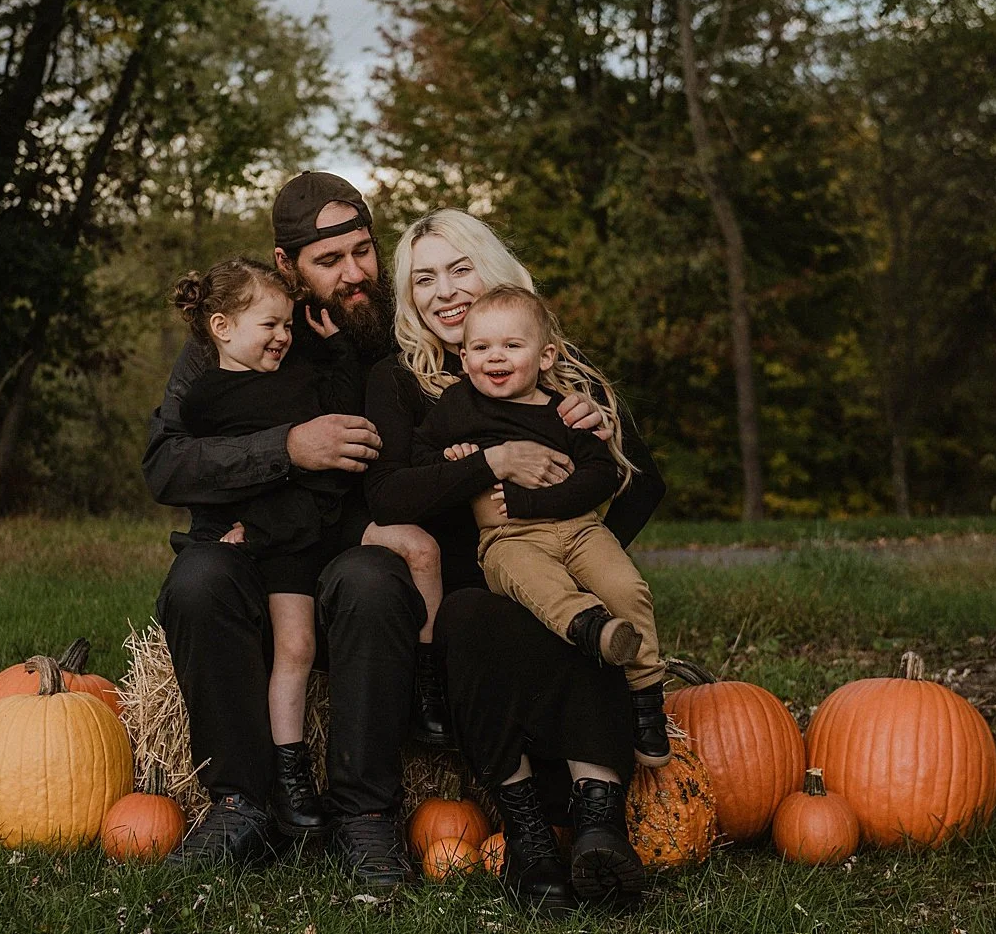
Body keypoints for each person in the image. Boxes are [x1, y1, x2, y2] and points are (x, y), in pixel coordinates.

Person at [365, 208, 667, 911]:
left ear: (493, 269)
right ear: (408, 299)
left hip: (556, 570)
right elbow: (389, 492)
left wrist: (581, 541)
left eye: (460, 268)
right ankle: (528, 836)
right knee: (475, 617)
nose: (444, 291)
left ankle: (600, 824)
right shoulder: (402, 380)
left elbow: (642, 481)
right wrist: (490, 464)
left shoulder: (545, 356)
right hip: (471, 587)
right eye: (423, 279)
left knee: (584, 620)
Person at [143, 173, 426, 885]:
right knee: (199, 581)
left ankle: (365, 815)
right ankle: (241, 802)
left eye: (362, 251)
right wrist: (288, 447)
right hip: (261, 561)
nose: (355, 273)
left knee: (374, 579)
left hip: (350, 562)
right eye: (329, 262)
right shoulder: (248, 327)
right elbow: (167, 463)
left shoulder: (403, 326)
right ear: (286, 266)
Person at [171, 255, 451, 837]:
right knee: (294, 647)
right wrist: (255, 501)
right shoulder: (205, 397)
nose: (283, 337)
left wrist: (336, 352)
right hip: (286, 540)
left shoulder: (295, 372)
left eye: (286, 326)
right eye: (269, 326)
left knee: (421, 548)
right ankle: (288, 774)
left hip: (333, 522)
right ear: (222, 329)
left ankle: (430, 686)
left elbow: (338, 407)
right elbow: (192, 467)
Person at [410, 283, 671, 768]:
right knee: (535, 580)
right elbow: (420, 457)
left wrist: (531, 500)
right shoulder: (458, 409)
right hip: (509, 538)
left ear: (546, 355)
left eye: (512, 346)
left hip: (580, 528)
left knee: (627, 586)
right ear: (464, 359)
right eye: (482, 348)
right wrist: (456, 460)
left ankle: (645, 698)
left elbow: (603, 473)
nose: (496, 358)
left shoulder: (563, 410)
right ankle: (590, 628)